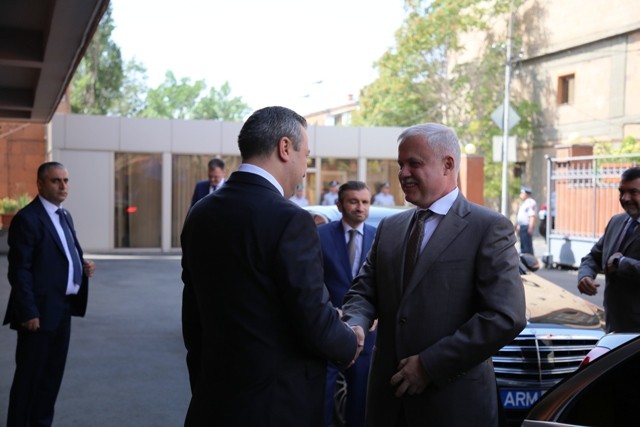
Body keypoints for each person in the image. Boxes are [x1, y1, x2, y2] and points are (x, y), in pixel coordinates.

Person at [181, 106, 364, 427]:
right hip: (276, 407)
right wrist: (350, 339)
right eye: (306, 156)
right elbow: (313, 321)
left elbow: (193, 317)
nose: (305, 170)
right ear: (285, 148)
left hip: (213, 401)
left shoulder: (201, 212)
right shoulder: (291, 220)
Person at [341, 123, 526, 427]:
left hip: (453, 406)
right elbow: (363, 291)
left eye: (414, 163)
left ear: (448, 164)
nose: (402, 173)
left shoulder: (488, 227)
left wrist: (430, 366)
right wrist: (355, 324)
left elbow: (506, 316)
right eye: (400, 164)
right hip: (387, 405)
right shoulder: (390, 228)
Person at [3, 161, 96, 427]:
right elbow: (19, 270)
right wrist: (28, 312)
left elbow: (61, 254)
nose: (63, 186)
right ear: (40, 184)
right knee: (29, 380)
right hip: (38, 314)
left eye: (66, 180)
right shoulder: (27, 218)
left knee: (50, 379)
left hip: (62, 310)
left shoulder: (64, 215)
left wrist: (81, 266)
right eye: (56, 181)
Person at [318, 181, 376, 427]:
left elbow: (387, 281)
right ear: (339, 204)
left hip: (368, 332)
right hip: (327, 329)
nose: (360, 207)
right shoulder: (320, 235)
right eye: (353, 201)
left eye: (365, 202)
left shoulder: (380, 236)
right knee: (321, 398)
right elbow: (312, 280)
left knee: (361, 400)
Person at [578, 166, 640, 333]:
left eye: (633, 192)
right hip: (614, 325)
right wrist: (585, 275)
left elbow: (617, 262)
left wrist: (622, 263)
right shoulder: (616, 221)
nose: (625, 198)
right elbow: (594, 256)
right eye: (622, 192)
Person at [516, 186, 537, 255]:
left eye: (522, 193)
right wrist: (519, 226)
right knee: (523, 247)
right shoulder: (525, 203)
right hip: (522, 227)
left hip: (526, 227)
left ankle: (529, 260)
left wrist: (530, 227)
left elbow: (532, 216)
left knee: (527, 247)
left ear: (526, 194)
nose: (520, 195)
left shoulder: (530, 202)